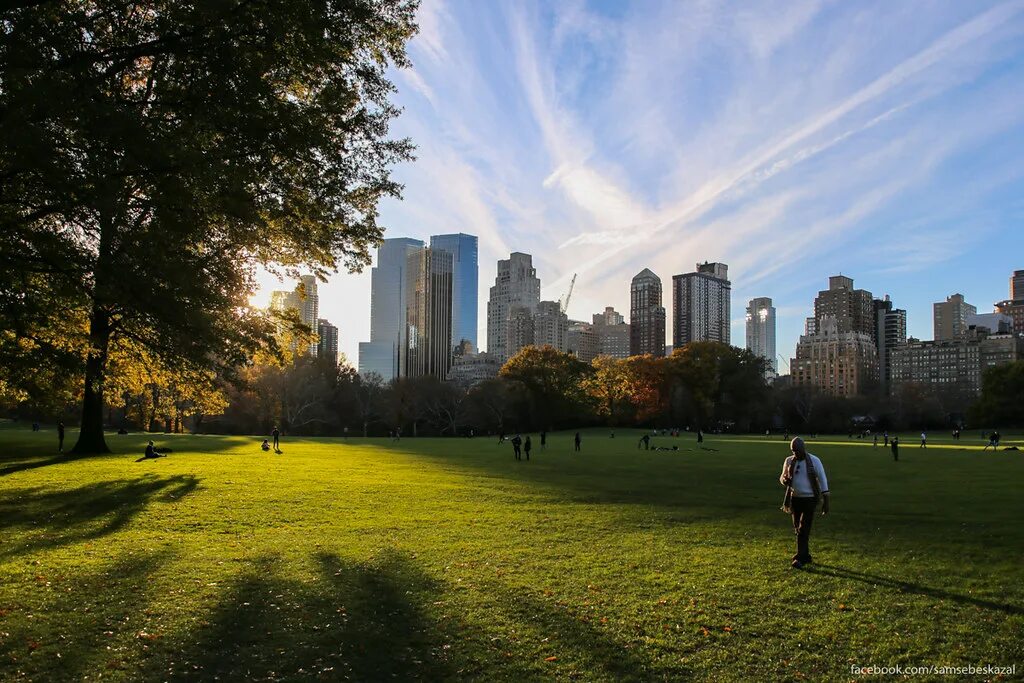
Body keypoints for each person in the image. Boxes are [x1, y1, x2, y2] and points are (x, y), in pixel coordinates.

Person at [779, 437, 830, 569]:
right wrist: (785, 480)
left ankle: (800, 558)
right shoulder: (789, 461)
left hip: (810, 499)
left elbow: (823, 479)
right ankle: (806, 555)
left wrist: (826, 500)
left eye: (798, 450)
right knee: (797, 528)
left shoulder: (814, 461)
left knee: (803, 528)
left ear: (804, 448)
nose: (795, 453)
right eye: (793, 451)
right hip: (795, 499)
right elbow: (782, 477)